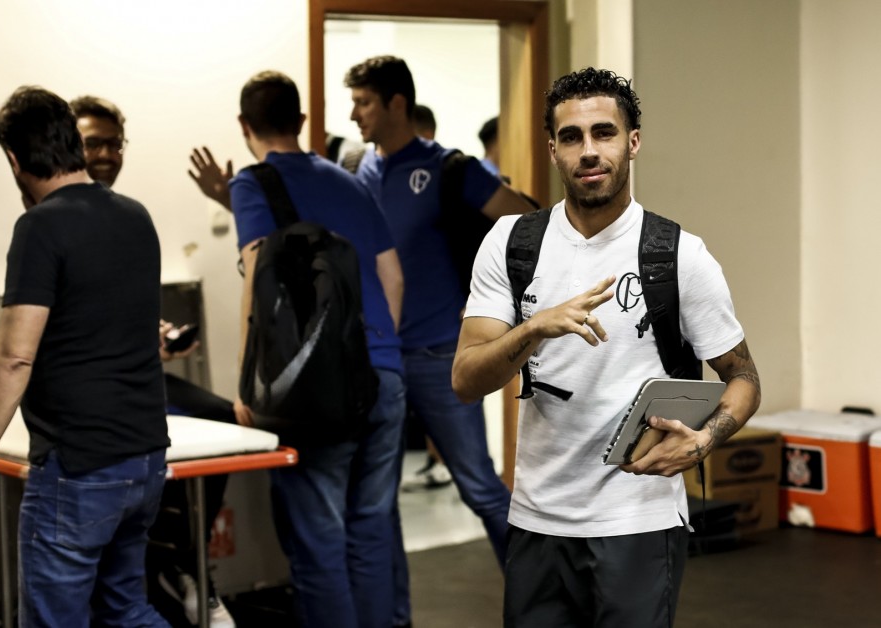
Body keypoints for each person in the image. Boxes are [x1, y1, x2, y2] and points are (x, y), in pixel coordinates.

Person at [451, 67, 762, 627]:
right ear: (553, 150)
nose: (589, 150)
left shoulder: (678, 255)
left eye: (604, 133)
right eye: (572, 137)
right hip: (537, 520)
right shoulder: (511, 243)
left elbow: (744, 379)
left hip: (637, 521)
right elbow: (466, 380)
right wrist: (531, 329)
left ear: (632, 142)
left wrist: (701, 442)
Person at [0, 86, 170, 627]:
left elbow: (13, 358)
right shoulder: (135, 216)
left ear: (13, 159)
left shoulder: (40, 226)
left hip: (80, 467)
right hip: (144, 458)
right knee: (126, 610)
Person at [343, 55, 534, 626]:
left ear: (396, 104)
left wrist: (494, 305)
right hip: (377, 360)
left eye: (364, 102)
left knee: (479, 487)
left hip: (436, 354)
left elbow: (527, 220)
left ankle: (541, 603)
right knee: (379, 509)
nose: (355, 113)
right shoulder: (357, 169)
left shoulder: (449, 168)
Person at [229, 70, 406, 628]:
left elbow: (258, 273)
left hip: (315, 390)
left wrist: (247, 380)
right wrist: (375, 350)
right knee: (372, 528)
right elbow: (392, 276)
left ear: (243, 126)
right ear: (302, 121)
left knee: (319, 538)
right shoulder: (349, 180)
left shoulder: (252, 183)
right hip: (384, 375)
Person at [69, 95, 237, 628]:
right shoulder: (54, 220)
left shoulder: (126, 219)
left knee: (229, 419)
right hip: (91, 391)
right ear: (68, 145)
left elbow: (129, 308)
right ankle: (167, 566)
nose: (106, 154)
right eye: (93, 142)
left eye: (114, 143)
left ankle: (183, 565)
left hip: (138, 377)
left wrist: (161, 335)